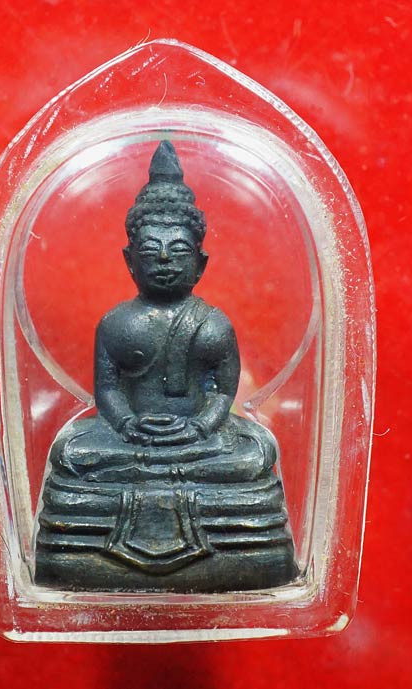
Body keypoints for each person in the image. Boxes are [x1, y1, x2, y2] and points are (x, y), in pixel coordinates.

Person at [35, 141, 296, 591]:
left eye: (178, 250)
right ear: (129, 260)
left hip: (201, 441)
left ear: (201, 263)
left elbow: (222, 392)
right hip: (128, 440)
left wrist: (199, 427)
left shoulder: (213, 324)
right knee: (72, 453)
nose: (163, 261)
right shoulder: (116, 323)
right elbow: (108, 389)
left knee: (253, 456)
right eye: (150, 250)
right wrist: (127, 424)